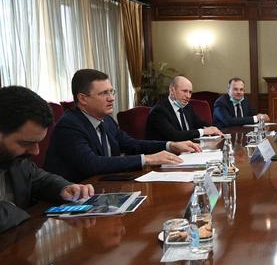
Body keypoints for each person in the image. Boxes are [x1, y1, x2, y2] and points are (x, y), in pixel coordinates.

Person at [45, 69, 201, 183]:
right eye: (104, 93)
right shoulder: (69, 125)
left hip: (104, 187)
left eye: (112, 92)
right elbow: (92, 164)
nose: (111, 98)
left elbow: (132, 144)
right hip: (73, 200)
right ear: (83, 98)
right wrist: (147, 159)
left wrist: (170, 145)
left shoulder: (106, 121)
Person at [0, 86, 94, 233]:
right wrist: (15, 211)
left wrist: (64, 188)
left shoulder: (14, 158)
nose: (36, 151)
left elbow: (39, 179)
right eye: (26, 143)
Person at [146, 76, 223, 141]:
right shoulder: (159, 111)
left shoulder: (187, 107)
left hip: (189, 150)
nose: (188, 96)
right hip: (167, 154)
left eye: (190, 92)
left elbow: (201, 123)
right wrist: (203, 131)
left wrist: (213, 129)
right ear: (172, 90)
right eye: (185, 91)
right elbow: (174, 136)